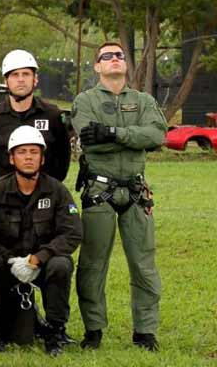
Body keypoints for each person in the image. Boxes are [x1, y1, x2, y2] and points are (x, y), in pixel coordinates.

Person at [71, 41, 166, 351]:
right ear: (97, 66)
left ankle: (145, 332)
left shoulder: (143, 100)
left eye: (119, 55)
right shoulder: (85, 101)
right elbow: (90, 141)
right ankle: (94, 330)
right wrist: (133, 139)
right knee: (93, 264)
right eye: (106, 56)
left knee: (144, 265)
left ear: (126, 64)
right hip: (100, 191)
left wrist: (113, 134)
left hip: (137, 192)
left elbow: (157, 136)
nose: (114, 59)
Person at [0, 125, 83, 356]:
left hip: (41, 264)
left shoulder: (57, 191)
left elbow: (72, 232)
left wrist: (38, 258)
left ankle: (56, 332)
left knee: (61, 264)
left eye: (34, 152)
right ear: (11, 158)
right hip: (7, 267)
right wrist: (11, 261)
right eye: (22, 152)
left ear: (42, 158)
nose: (28, 157)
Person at [0, 49, 71, 182]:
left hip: (43, 195)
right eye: (15, 75)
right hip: (2, 197)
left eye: (26, 74)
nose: (21, 80)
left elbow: (62, 158)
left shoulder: (53, 115)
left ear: (35, 79)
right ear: (5, 81)